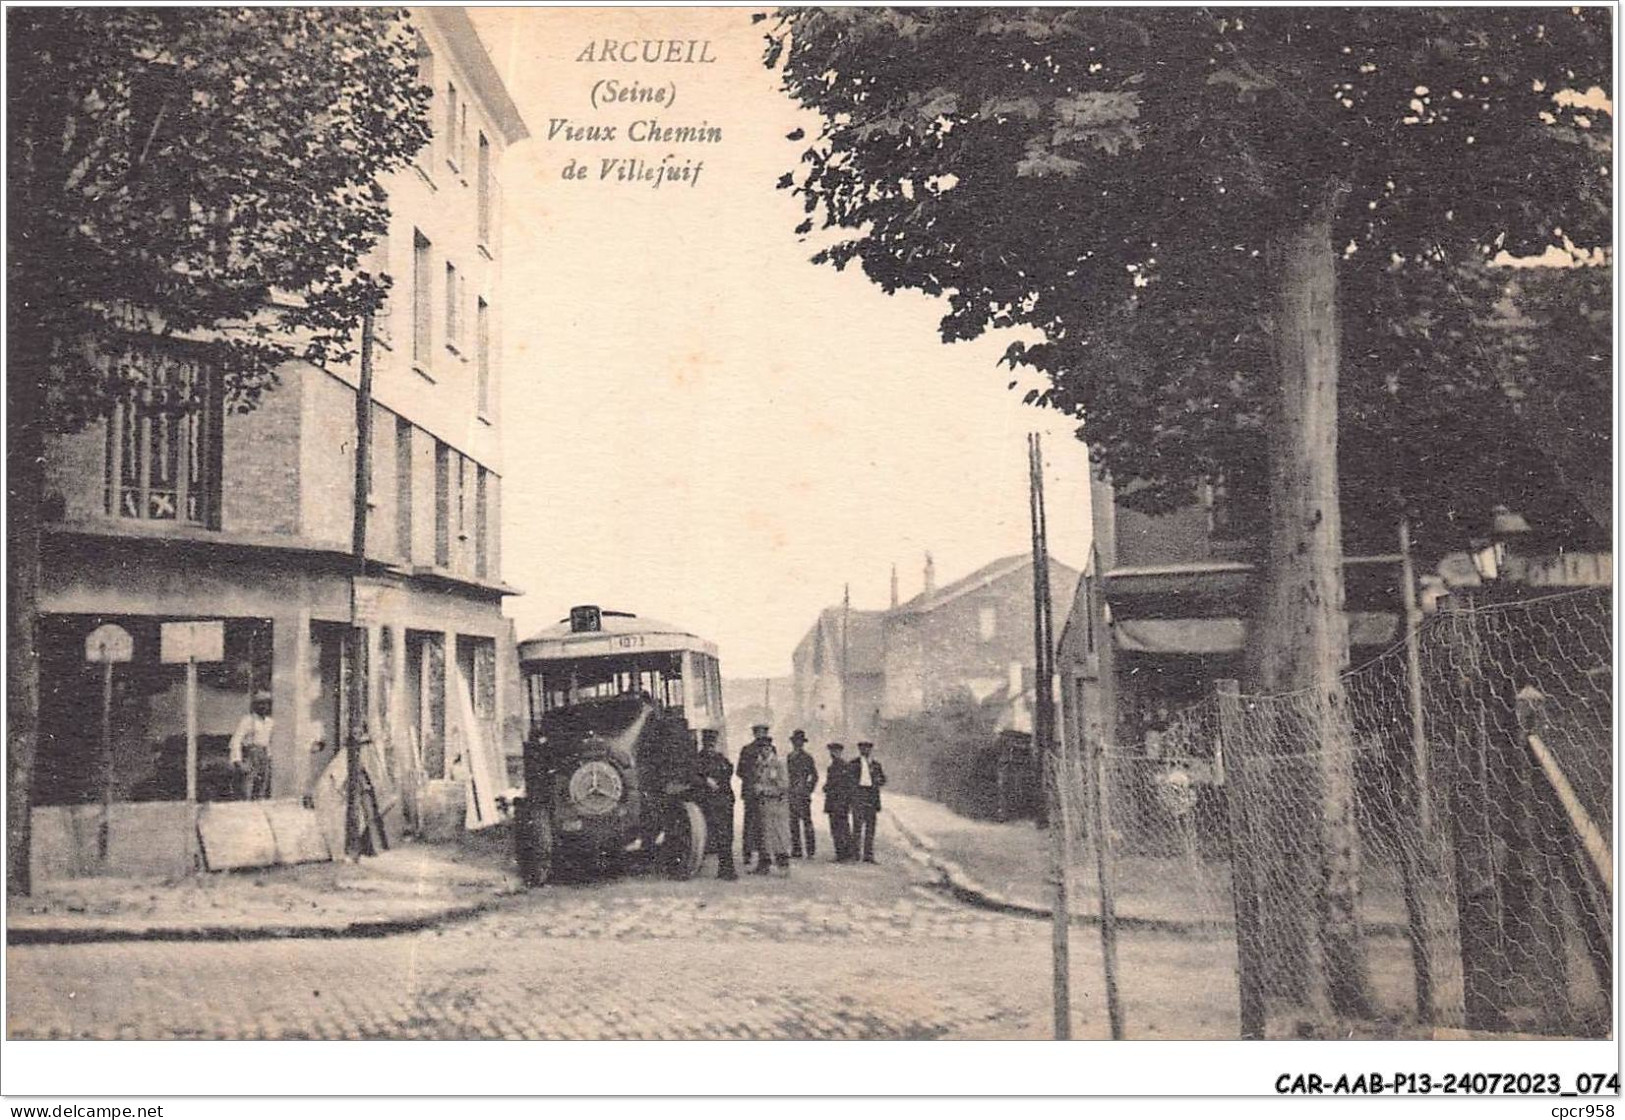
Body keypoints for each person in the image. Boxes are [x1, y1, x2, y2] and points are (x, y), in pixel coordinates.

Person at [693, 736, 738, 880]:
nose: (710, 747)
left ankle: (727, 869)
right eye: (708, 744)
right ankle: (721, 869)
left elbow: (729, 771)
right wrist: (706, 780)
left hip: (724, 801)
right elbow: (692, 776)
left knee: (726, 836)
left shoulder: (721, 759)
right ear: (704, 744)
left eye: (712, 744)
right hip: (709, 802)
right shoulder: (698, 759)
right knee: (715, 836)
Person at [751, 735, 793, 876]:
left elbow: (784, 786)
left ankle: (783, 866)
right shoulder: (759, 764)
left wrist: (764, 790)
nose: (764, 751)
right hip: (763, 806)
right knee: (764, 836)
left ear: (771, 748)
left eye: (766, 748)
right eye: (761, 748)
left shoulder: (779, 764)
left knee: (778, 836)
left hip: (777, 806)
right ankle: (764, 865)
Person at [736, 724, 771, 870]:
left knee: (766, 824)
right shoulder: (746, 750)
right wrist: (752, 779)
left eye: (763, 733)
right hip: (751, 792)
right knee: (750, 823)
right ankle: (748, 853)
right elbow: (740, 771)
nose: (760, 736)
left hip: (766, 792)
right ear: (754, 734)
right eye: (758, 733)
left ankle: (765, 855)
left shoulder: (771, 749)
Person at [229, 690, 274, 800]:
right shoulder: (248, 720)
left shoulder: (270, 722)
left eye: (267, 703)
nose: (264, 706)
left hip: (264, 756)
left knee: (262, 790)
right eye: (261, 703)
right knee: (247, 788)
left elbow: (268, 742)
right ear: (255, 705)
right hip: (251, 755)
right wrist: (238, 761)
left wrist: (269, 758)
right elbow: (236, 740)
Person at [850, 740, 887, 864]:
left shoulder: (876, 765)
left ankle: (868, 855)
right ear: (859, 750)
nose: (865, 750)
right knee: (857, 827)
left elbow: (883, 780)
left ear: (870, 750)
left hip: (871, 797)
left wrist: (878, 780)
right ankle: (855, 854)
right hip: (859, 796)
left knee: (870, 827)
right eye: (863, 748)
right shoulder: (854, 764)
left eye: (867, 748)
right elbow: (849, 782)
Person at [785, 729, 819, 858]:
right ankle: (796, 850)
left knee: (807, 822)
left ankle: (810, 851)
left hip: (803, 795)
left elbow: (814, 776)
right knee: (793, 823)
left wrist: (808, 789)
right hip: (792, 794)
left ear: (802, 743)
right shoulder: (789, 757)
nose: (797, 744)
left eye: (799, 742)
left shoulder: (807, 758)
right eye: (795, 742)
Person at [822, 742, 856, 862]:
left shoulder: (842, 766)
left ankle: (844, 854)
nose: (833, 754)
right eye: (831, 751)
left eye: (835, 751)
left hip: (839, 802)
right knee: (839, 828)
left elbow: (846, 785)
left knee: (840, 829)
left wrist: (827, 787)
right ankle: (843, 854)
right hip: (836, 803)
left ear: (840, 752)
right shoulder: (833, 766)